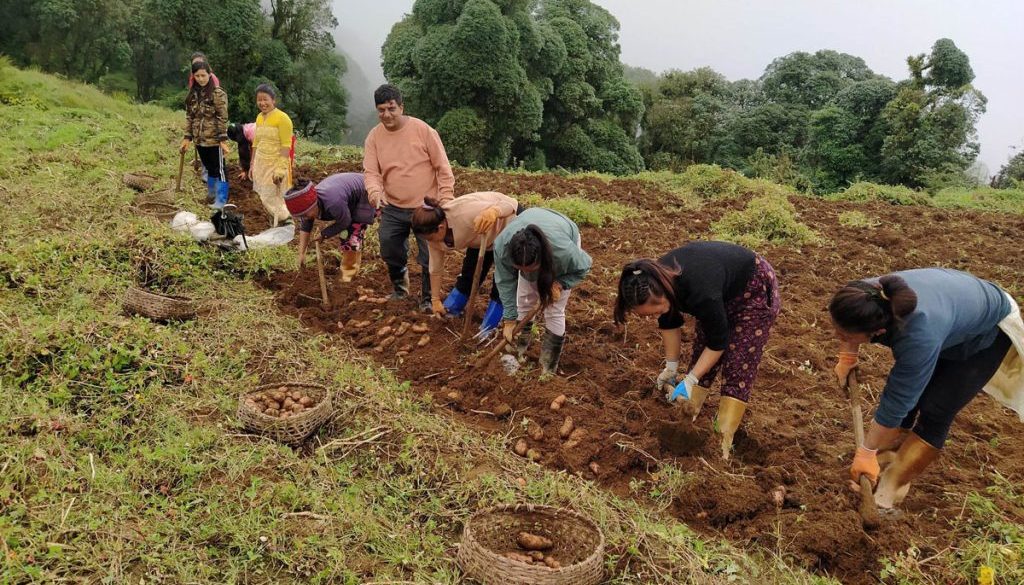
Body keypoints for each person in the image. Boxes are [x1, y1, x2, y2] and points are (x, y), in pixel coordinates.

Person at [830, 269, 1023, 509]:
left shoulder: (918, 334)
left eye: (845, 335)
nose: (838, 335)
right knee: (910, 402)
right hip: (949, 314)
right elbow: (847, 322)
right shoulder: (861, 295)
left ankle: (891, 489)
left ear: (878, 331)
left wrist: (866, 450)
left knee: (936, 408)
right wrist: (847, 355)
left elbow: (896, 402)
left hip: (986, 332)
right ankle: (881, 461)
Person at [613, 241, 781, 460]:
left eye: (652, 312)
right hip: (717, 289)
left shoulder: (701, 293)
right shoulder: (653, 280)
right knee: (701, 355)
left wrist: (691, 379)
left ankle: (722, 441)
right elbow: (669, 321)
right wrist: (671, 369)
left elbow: (718, 343)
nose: (652, 318)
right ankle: (688, 420)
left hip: (752, 288)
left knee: (739, 363)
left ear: (663, 295)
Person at [363, 84, 455, 312]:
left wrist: (446, 198)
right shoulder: (374, 137)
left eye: (391, 108)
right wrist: (375, 192)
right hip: (393, 205)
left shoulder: (423, 131)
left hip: (425, 207)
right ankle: (400, 287)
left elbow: (443, 167)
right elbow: (371, 172)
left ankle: (427, 298)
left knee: (429, 255)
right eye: (381, 110)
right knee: (388, 246)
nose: (387, 115)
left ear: (401, 107)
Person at [492, 208, 592, 376]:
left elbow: (584, 266)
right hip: (532, 227)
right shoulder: (502, 247)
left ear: (540, 259)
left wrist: (561, 283)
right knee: (523, 301)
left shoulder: (564, 252)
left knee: (554, 309)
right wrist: (509, 319)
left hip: (561, 235)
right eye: (519, 269)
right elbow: (505, 282)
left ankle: (548, 366)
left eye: (530, 268)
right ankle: (518, 352)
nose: (525, 272)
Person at [410, 191, 520, 333]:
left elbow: (510, 205)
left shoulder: (465, 213)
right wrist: (435, 299)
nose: (429, 242)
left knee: (501, 282)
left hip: (509, 229)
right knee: (469, 274)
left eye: (430, 238)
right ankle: (452, 309)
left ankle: (489, 326)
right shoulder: (433, 237)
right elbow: (435, 269)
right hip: (480, 237)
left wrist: (494, 212)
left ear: (441, 228)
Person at [284, 174, 376, 282]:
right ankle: (351, 268)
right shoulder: (310, 206)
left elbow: (345, 222)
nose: (304, 218)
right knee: (349, 234)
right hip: (348, 199)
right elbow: (305, 226)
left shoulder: (333, 202)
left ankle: (348, 276)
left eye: (305, 214)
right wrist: (301, 253)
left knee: (350, 237)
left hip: (366, 193)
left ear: (314, 204)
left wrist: (324, 234)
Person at [180, 60, 230, 209]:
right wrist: (187, 137)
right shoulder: (193, 95)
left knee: (219, 169)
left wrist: (222, 139)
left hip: (214, 140)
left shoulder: (218, 94)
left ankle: (221, 200)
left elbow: (222, 117)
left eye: (203, 75)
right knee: (208, 167)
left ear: (209, 74)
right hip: (200, 140)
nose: (201, 79)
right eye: (197, 76)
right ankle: (211, 194)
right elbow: (190, 117)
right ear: (193, 77)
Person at [251, 84, 294, 227]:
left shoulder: (283, 119)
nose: (262, 103)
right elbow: (256, 141)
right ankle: (275, 220)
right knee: (264, 195)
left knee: (272, 195)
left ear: (273, 100)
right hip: (261, 163)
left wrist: (281, 168)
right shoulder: (259, 118)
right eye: (259, 100)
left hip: (275, 163)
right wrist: (252, 164)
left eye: (265, 99)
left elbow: (286, 145)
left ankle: (286, 221)